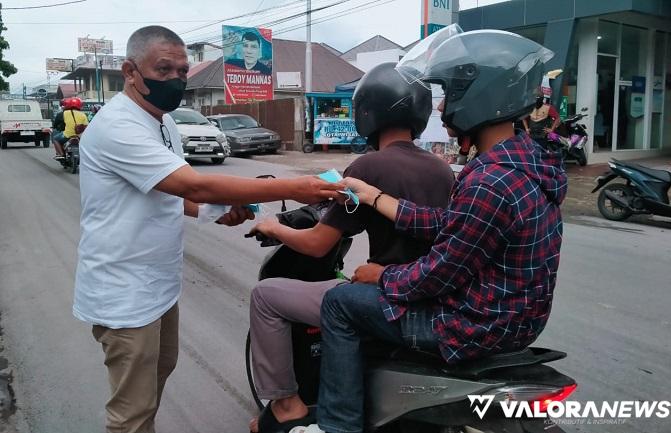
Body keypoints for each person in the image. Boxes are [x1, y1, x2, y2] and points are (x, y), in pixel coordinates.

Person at [292, 30, 568, 433]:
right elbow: (454, 224)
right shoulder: (527, 166)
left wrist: (381, 275)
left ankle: (337, 425)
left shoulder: (488, 181)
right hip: (520, 322)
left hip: (473, 325)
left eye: (450, 95)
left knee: (341, 303)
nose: (441, 108)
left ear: (478, 98)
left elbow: (436, 275)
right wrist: (375, 198)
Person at [73, 25, 341, 433]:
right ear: (130, 71)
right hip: (123, 294)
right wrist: (294, 187)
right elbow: (192, 183)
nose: (176, 79)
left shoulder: (161, 123)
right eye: (163, 69)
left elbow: (169, 192)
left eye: (182, 71)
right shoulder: (118, 127)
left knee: (157, 379)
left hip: (158, 287)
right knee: (132, 411)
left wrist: (220, 211)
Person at [247, 62, 455, 433]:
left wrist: (274, 227)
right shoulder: (443, 169)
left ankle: (287, 406)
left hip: (383, 294)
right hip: (431, 297)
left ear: (367, 112)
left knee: (266, 295)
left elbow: (316, 244)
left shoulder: (368, 166)